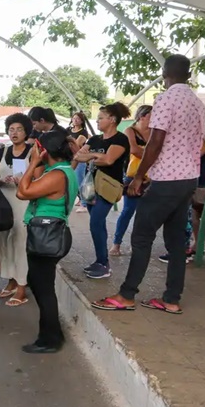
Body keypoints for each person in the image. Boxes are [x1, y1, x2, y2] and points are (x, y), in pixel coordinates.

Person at [93, 54, 205, 314]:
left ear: (165, 73)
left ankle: (127, 294)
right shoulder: (198, 104)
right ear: (187, 75)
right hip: (187, 180)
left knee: (142, 237)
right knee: (177, 242)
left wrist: (138, 176)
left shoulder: (165, 100)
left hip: (166, 180)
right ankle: (171, 299)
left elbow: (155, 142)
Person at [16, 128, 78, 353]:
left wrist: (32, 162)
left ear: (43, 150)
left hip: (47, 236)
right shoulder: (61, 170)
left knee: (44, 289)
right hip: (50, 234)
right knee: (40, 283)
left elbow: (22, 192)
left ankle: (49, 340)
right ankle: (52, 334)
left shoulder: (57, 175)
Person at [73, 102, 131, 279]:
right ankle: (101, 260)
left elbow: (109, 160)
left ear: (112, 120)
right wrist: (95, 155)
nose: (97, 121)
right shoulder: (94, 139)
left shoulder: (120, 139)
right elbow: (78, 156)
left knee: (96, 222)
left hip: (108, 187)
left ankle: (103, 263)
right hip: (91, 186)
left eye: (100, 118)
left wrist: (91, 156)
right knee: (97, 224)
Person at [0, 113, 32, 306]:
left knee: (20, 244)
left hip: (22, 203)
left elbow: (38, 178)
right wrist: (1, 180)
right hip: (3, 204)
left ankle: (22, 287)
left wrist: (22, 181)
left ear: (26, 132)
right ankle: (11, 280)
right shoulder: (2, 151)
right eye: (11, 129)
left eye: (19, 129)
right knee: (3, 243)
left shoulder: (33, 152)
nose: (14, 133)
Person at [110, 104, 152, 257]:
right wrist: (151, 157)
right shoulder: (130, 131)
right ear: (142, 117)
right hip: (133, 176)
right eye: (152, 115)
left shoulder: (154, 132)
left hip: (151, 177)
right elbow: (134, 149)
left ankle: (139, 244)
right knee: (128, 210)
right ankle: (117, 242)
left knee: (145, 213)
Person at [69, 112, 91, 212]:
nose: (75, 120)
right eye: (74, 118)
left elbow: (76, 144)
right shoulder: (69, 130)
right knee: (73, 181)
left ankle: (84, 203)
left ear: (82, 121)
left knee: (80, 181)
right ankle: (80, 199)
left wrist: (70, 142)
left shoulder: (83, 132)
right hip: (70, 158)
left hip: (79, 159)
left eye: (78, 119)